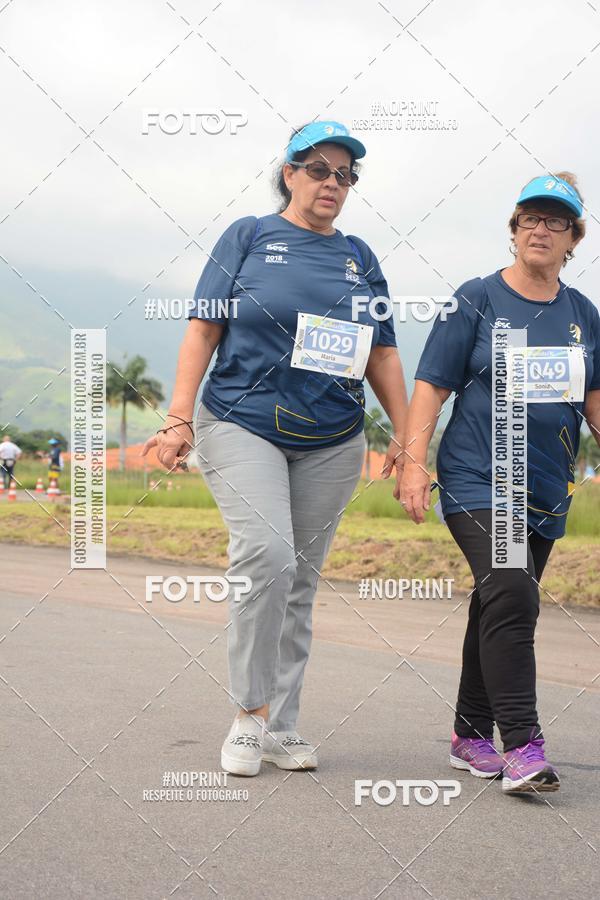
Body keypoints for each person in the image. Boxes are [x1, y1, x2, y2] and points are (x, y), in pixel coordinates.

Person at [142, 120, 408, 776]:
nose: (332, 183)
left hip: (334, 439)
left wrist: (408, 438)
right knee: (266, 553)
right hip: (241, 420)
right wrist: (179, 419)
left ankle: (284, 725)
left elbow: (384, 354)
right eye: (318, 169)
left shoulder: (360, 258)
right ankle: (248, 714)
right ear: (289, 173)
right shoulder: (250, 237)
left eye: (345, 175)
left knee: (300, 582)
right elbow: (203, 329)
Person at [400, 172, 600, 795]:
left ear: (574, 238)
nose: (542, 229)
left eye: (557, 221)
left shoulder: (583, 314)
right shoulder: (476, 298)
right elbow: (432, 382)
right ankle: (523, 746)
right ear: (514, 230)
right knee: (514, 596)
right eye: (531, 219)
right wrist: (412, 458)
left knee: (496, 601)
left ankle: (468, 733)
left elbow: (594, 401)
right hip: (478, 476)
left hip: (545, 488)